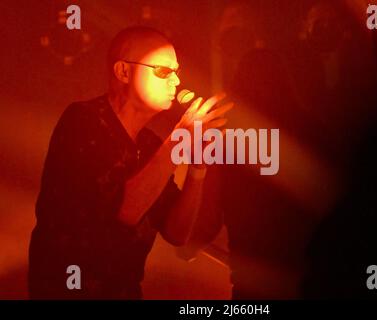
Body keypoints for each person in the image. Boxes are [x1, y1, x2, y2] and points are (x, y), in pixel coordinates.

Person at [28, 26, 231, 299]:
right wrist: (179, 138)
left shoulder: (150, 146)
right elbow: (125, 212)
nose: (175, 81)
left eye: (176, 72)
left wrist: (197, 167)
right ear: (123, 72)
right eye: (163, 71)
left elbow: (177, 234)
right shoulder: (83, 121)